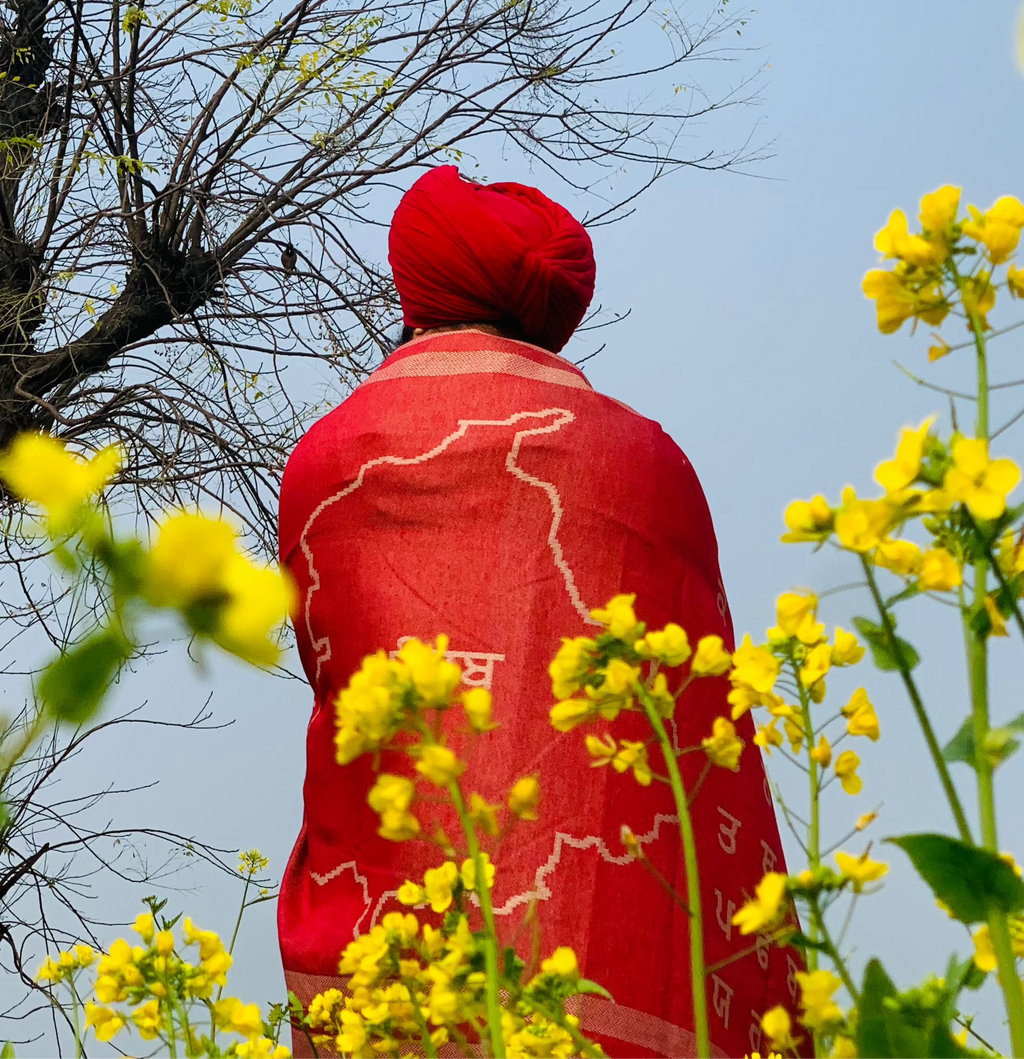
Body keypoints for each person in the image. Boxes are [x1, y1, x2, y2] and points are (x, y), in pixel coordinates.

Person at [277, 166, 799, 1059]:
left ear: (415, 296)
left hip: (393, 962)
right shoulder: (650, 468)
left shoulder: (330, 458)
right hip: (612, 955)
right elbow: (701, 728)